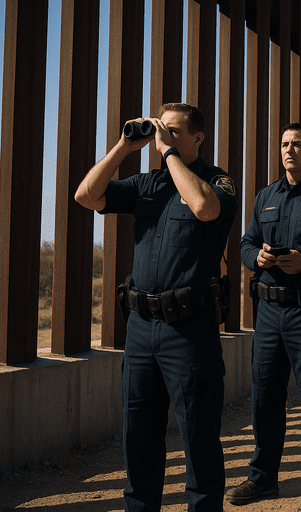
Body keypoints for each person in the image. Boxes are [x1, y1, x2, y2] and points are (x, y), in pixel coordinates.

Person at [74, 103, 238, 511]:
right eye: (161, 129)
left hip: (189, 332)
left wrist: (167, 152)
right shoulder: (147, 183)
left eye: (174, 131)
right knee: (139, 436)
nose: (163, 136)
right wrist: (123, 147)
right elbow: (86, 195)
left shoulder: (218, 182)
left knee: (198, 439)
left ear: (198, 137)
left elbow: (204, 208)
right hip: (142, 330)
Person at [228, 123, 301, 511]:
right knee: (264, 397)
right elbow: (245, 243)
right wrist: (255, 258)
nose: (289, 150)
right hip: (268, 314)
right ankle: (263, 479)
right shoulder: (266, 196)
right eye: (284, 144)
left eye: (297, 144)